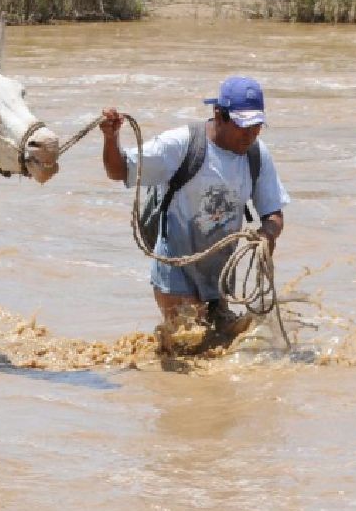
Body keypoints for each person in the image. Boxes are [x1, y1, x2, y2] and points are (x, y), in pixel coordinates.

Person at [100, 76, 289, 351]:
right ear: (219, 115)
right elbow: (118, 171)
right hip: (176, 270)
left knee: (227, 348)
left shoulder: (256, 155)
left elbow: (273, 212)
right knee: (189, 349)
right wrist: (111, 138)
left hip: (220, 276)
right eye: (243, 126)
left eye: (257, 126)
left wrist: (267, 234)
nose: (250, 134)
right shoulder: (180, 145)